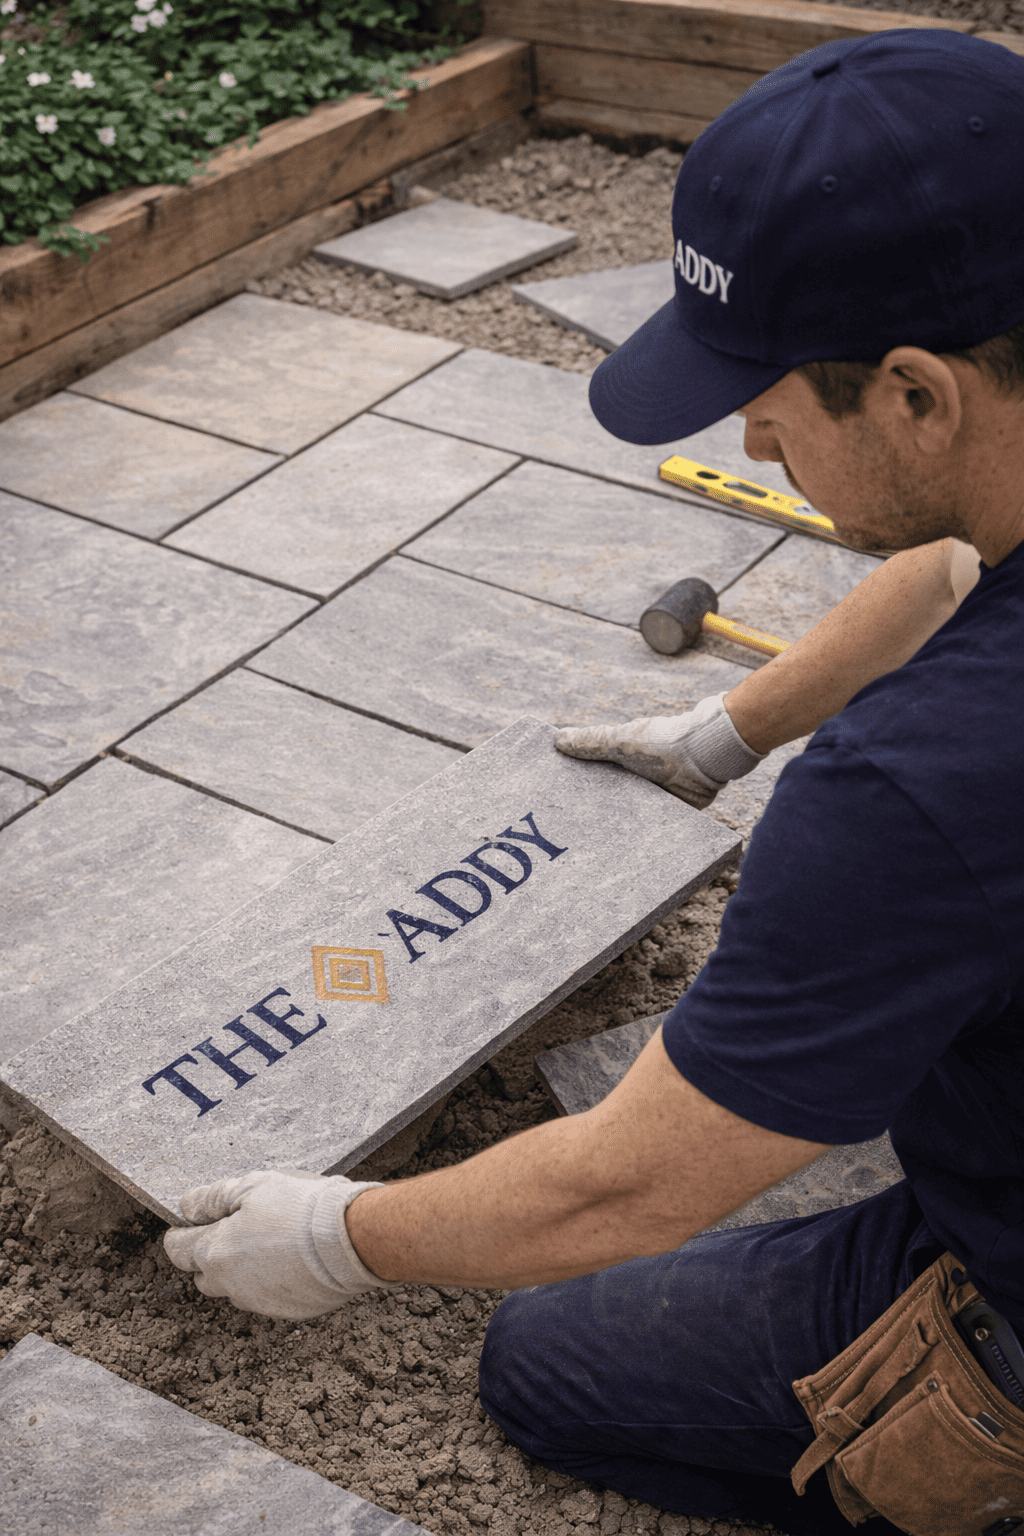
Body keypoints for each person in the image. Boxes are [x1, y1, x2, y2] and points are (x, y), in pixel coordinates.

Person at [164, 29, 1024, 1536]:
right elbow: (960, 563)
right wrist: (731, 729)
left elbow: (626, 1189)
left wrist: (339, 1237)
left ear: (915, 394)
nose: (751, 441)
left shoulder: (919, 785)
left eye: (768, 401)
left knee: (550, 1364)